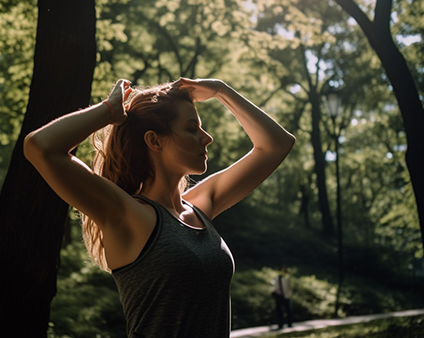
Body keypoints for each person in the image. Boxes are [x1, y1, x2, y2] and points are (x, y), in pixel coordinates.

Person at [24, 77, 295, 337]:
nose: (207, 138)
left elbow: (277, 145)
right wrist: (109, 111)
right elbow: (41, 147)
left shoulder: (200, 206)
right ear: (154, 141)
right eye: (191, 128)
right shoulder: (127, 214)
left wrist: (222, 91)